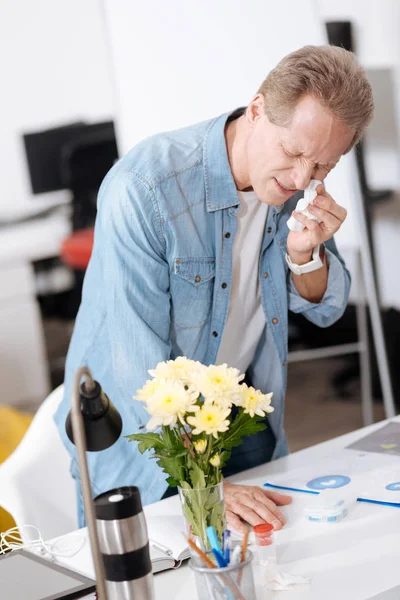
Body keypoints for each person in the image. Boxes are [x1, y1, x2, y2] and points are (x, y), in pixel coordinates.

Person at [55, 45, 373, 533]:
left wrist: (305, 255)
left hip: (234, 416)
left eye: (323, 167)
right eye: (293, 153)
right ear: (257, 109)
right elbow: (137, 363)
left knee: (267, 563)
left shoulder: (291, 191)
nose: (301, 179)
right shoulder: (145, 187)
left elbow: (326, 310)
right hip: (140, 437)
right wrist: (206, 486)